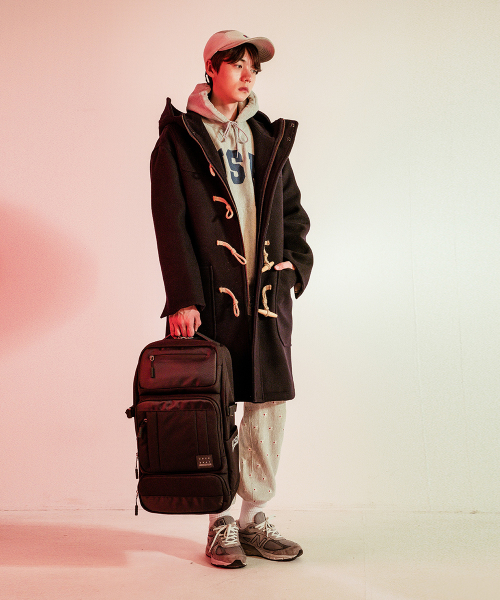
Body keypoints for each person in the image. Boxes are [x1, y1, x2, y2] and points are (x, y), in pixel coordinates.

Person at [150, 30, 313, 568]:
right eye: (238, 64)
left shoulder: (267, 137)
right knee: (213, 406)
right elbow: (171, 225)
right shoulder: (180, 139)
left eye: (254, 68)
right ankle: (220, 521)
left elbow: (293, 214)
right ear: (211, 69)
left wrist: (294, 268)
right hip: (211, 299)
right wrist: (183, 298)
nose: (248, 75)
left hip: (264, 297)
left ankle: (254, 517)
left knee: (267, 405)